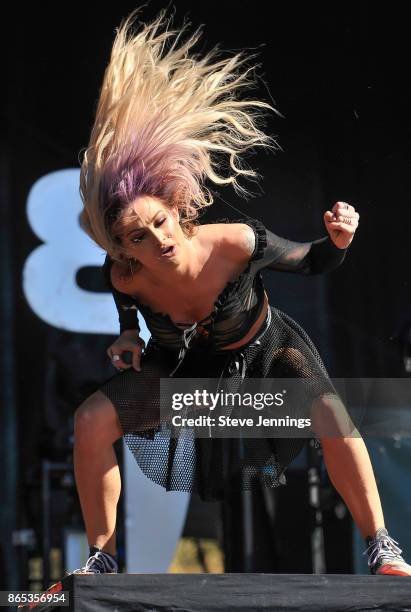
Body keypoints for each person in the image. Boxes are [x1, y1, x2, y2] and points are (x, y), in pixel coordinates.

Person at [72, 9, 411, 577]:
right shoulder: (124, 276)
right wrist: (129, 332)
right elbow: (125, 302)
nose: (157, 241)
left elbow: (315, 262)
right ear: (125, 249)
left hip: (267, 360)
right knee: (90, 422)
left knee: (332, 412)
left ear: (178, 210)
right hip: (184, 371)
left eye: (160, 223)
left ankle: (383, 548)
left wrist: (339, 240)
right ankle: (102, 558)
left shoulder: (234, 244)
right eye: (138, 238)